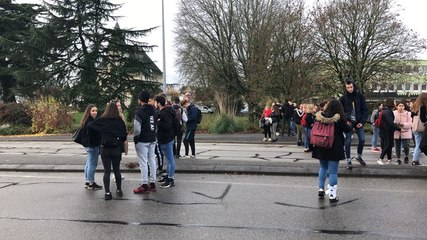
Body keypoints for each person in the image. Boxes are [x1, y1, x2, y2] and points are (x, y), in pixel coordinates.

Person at [312, 99, 352, 203]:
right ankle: (332, 196)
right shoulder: (338, 119)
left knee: (323, 167)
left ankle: (321, 189)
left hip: (320, 145)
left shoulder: (320, 117)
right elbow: (348, 129)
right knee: (333, 172)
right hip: (334, 146)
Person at [88, 103, 127, 200]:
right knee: (117, 170)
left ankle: (107, 193)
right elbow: (124, 135)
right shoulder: (119, 121)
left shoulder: (102, 120)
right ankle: (119, 190)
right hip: (116, 148)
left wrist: (99, 135)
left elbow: (90, 125)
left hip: (104, 148)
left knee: (107, 171)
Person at [339, 79, 368, 169]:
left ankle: (358, 156)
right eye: (347, 87)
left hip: (358, 121)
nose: (349, 89)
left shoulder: (360, 96)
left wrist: (362, 122)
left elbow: (365, 110)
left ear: (354, 86)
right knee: (348, 141)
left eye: (351, 87)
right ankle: (348, 159)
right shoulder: (343, 98)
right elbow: (340, 111)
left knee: (362, 139)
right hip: (348, 122)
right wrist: (345, 120)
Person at [133, 91, 158, 194]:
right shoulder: (154, 111)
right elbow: (156, 126)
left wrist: (136, 139)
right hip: (152, 139)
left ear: (139, 100)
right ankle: (152, 183)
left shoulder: (139, 112)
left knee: (143, 162)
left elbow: (137, 128)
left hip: (142, 140)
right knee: (152, 160)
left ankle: (144, 184)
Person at [155, 95, 177, 188]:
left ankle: (170, 179)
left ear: (159, 103)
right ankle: (168, 176)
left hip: (166, 139)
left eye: (156, 102)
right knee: (168, 160)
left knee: (170, 160)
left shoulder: (164, 113)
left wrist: (158, 122)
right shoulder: (166, 111)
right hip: (167, 138)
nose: (155, 104)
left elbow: (167, 125)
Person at [79, 104, 102, 190]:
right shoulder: (91, 122)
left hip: (88, 145)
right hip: (93, 145)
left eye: (96, 111)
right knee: (92, 163)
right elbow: (94, 135)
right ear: (89, 111)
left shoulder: (85, 121)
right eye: (93, 111)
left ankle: (87, 181)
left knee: (88, 163)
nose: (95, 112)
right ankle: (91, 183)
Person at [377, 98, 401, 165]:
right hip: (387, 130)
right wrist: (399, 128)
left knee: (389, 145)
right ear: (391, 102)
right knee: (388, 145)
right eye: (394, 101)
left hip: (387, 130)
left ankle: (389, 160)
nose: (395, 103)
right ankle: (380, 158)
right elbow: (390, 122)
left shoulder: (386, 110)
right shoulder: (388, 111)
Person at [410, 93, 427, 165]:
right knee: (419, 144)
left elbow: (412, 116)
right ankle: (415, 160)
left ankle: (415, 160)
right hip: (421, 128)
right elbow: (423, 119)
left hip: (415, 128)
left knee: (417, 143)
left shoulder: (415, 106)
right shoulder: (423, 107)